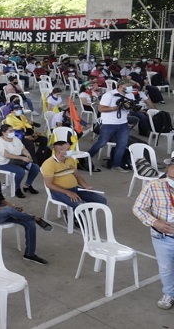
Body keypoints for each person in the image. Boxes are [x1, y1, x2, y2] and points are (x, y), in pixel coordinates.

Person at [0, 159, 52, 265]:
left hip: (2, 211)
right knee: (8, 210)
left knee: (29, 223)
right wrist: (3, 209)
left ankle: (30, 254)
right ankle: (34, 217)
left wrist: (12, 206)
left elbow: (1, 200)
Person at [132, 162, 174, 310]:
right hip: (163, 238)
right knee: (166, 268)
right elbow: (138, 208)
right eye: (173, 166)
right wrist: (154, 222)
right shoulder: (153, 186)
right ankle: (169, 293)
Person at [42, 141, 107, 222]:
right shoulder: (48, 164)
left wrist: (86, 186)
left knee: (101, 201)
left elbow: (77, 176)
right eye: (68, 149)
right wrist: (68, 192)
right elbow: (49, 184)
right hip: (58, 192)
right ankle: (76, 217)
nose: (71, 150)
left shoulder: (70, 159)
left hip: (75, 188)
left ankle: (73, 215)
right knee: (81, 205)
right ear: (59, 151)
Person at [86, 80, 134, 172]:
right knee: (101, 143)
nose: (129, 87)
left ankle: (116, 165)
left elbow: (130, 108)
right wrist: (116, 108)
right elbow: (101, 109)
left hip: (123, 123)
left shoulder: (130, 95)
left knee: (122, 145)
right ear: (121, 86)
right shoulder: (109, 95)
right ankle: (87, 157)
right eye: (127, 85)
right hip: (109, 123)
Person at [0, 124, 41, 198]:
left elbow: (23, 148)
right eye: (10, 131)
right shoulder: (0, 142)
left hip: (16, 160)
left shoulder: (15, 138)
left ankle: (27, 185)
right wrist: (22, 158)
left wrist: (27, 154)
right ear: (3, 132)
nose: (13, 132)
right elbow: (7, 155)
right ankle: (17, 188)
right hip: (4, 163)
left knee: (35, 167)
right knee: (20, 171)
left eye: (13, 130)